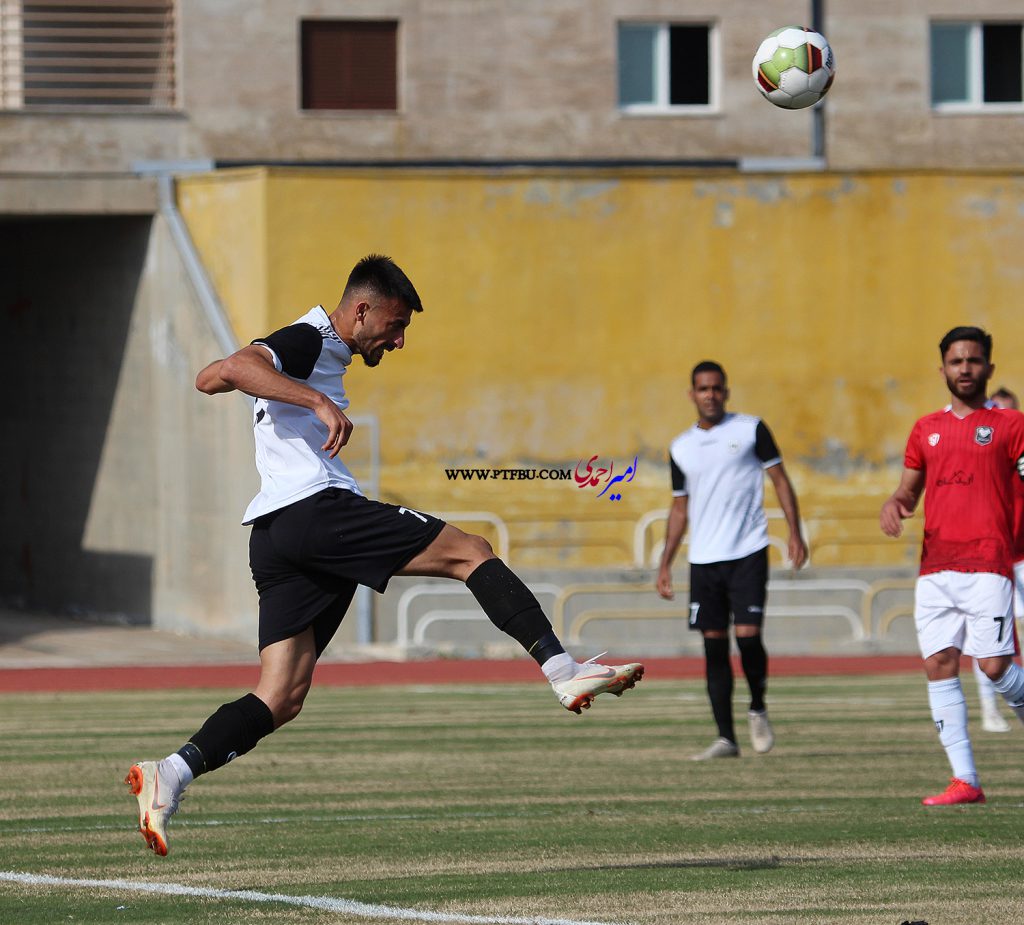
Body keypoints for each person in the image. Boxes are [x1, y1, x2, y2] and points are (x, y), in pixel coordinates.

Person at [125, 254, 643, 856]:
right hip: (314, 511)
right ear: (361, 309)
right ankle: (562, 670)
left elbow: (213, 376)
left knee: (281, 696)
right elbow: (235, 368)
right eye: (394, 327)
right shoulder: (309, 336)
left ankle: (170, 773)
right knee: (470, 552)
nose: (397, 341)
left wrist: (285, 388)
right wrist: (317, 403)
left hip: (275, 533)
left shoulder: (312, 350)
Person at [880, 327, 1024, 805]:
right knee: (940, 665)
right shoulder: (925, 428)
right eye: (957, 361)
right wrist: (895, 502)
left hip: (989, 562)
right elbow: (909, 487)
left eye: (974, 361)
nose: (965, 369)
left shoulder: (1011, 425)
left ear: (989, 369)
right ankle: (966, 781)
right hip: (936, 567)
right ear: (942, 368)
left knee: (996, 666)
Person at [656, 361, 807, 760]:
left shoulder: (751, 429)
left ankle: (757, 705)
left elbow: (780, 480)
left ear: (726, 391)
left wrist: (794, 532)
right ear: (692, 394)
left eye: (717, 388)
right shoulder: (680, 447)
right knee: (713, 646)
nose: (711, 395)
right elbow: (679, 508)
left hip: (747, 551)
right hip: (704, 560)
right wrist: (665, 563)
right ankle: (726, 737)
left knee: (748, 636)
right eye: (703, 389)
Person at [973, 387, 1021, 732]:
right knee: (990, 640)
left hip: (1022, 555)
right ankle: (990, 709)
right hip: (991, 557)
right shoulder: (981, 454)